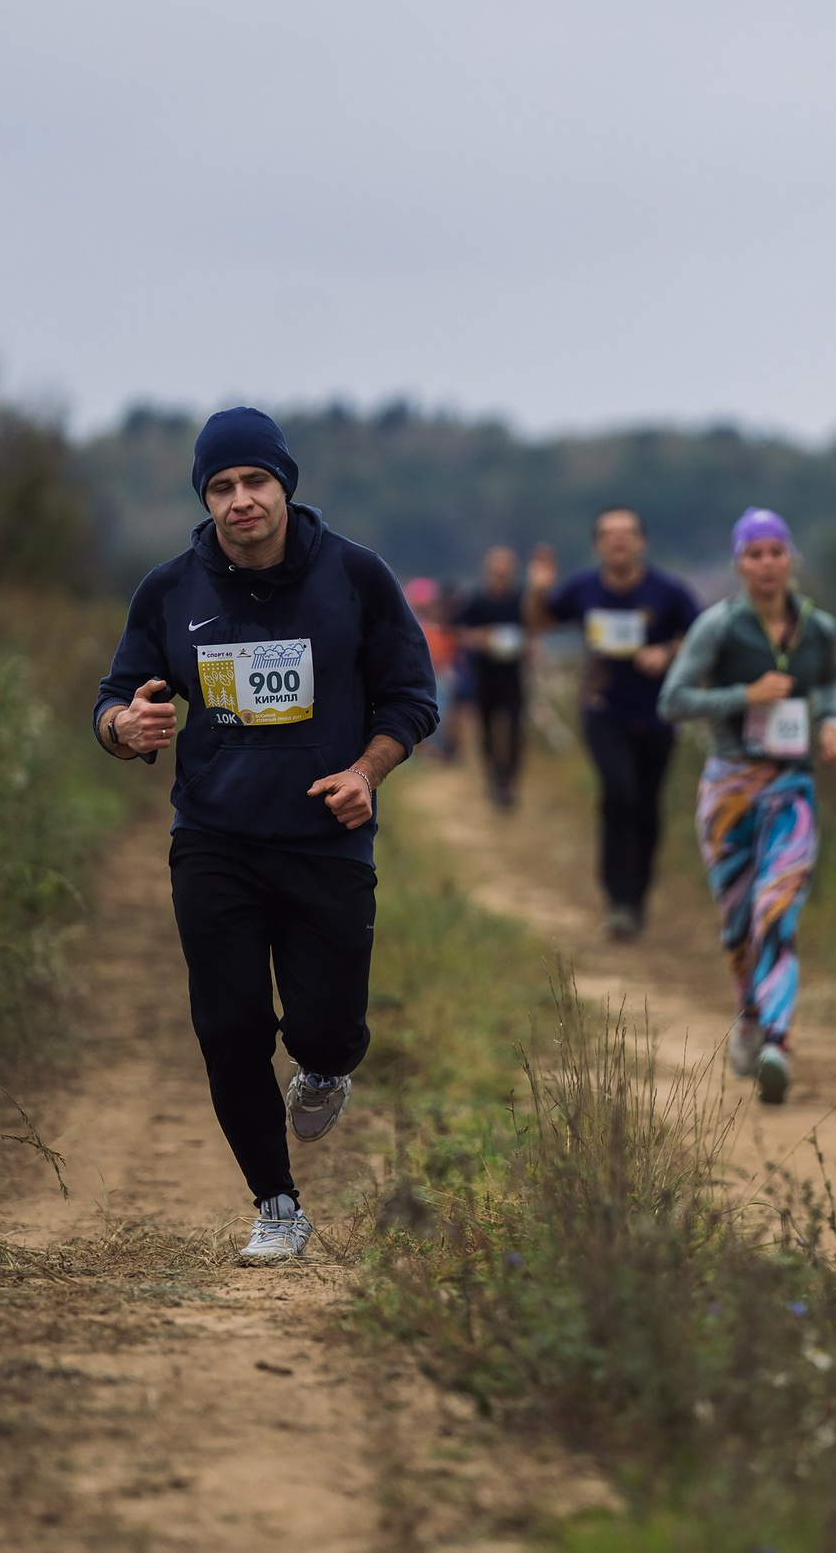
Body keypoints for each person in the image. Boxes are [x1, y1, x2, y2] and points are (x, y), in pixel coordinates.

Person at [94, 407, 439, 1266]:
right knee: (229, 1022)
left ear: (285, 484)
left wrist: (366, 772)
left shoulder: (357, 577)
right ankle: (276, 1203)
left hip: (325, 837)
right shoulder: (170, 590)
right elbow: (112, 699)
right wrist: (121, 727)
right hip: (215, 837)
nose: (240, 501)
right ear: (204, 498)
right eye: (221, 487)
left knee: (324, 1029)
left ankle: (326, 1066)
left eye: (255, 482)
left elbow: (413, 697)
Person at [658, 508, 836, 1105]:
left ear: (790, 559)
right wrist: (746, 695)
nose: (766, 564)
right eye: (754, 554)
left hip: (792, 786)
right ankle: (750, 1014)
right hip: (730, 788)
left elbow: (830, 683)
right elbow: (674, 699)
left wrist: (833, 724)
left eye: (775, 552)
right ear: (739, 564)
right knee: (740, 924)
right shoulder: (718, 627)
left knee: (777, 913)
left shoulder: (820, 628)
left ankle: (778, 1045)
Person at [526, 509, 701, 939]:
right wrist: (538, 589)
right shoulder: (584, 588)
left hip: (658, 713)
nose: (618, 541)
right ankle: (617, 899)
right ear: (597, 545)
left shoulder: (668, 591)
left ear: (642, 542)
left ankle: (638, 895)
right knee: (618, 795)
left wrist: (667, 653)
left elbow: (700, 635)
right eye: (609, 534)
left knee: (646, 805)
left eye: (627, 534)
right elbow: (539, 622)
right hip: (603, 712)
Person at [453, 544, 531, 808]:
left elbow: (536, 629)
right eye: (495, 567)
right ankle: (494, 779)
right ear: (487, 570)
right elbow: (459, 631)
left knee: (515, 729)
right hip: (484, 675)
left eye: (505, 567)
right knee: (486, 729)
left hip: (514, 675)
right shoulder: (477, 600)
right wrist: (481, 638)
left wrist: (530, 645)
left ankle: (509, 780)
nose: (500, 572)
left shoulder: (522, 600)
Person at [406, 576, 463, 763]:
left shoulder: (439, 628)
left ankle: (438, 752)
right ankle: (427, 753)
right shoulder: (418, 627)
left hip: (438, 677)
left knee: (442, 716)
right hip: (425, 678)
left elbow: (447, 654)